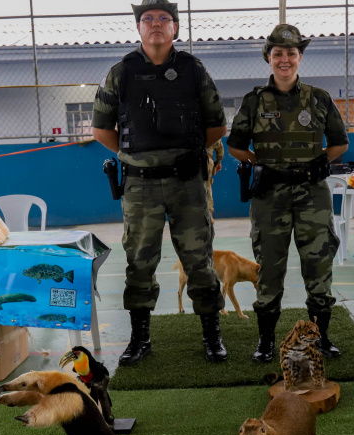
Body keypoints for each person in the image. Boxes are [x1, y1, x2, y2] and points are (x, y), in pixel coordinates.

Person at [92, 0, 228, 366]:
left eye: (163, 18)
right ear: (138, 28)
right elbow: (101, 129)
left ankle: (212, 336)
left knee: (199, 260)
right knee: (139, 262)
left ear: (175, 28)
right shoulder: (121, 72)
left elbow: (218, 125)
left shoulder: (193, 70)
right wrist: (133, 155)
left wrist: (190, 153)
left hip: (188, 184)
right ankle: (140, 339)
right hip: (141, 187)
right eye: (148, 18)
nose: (155, 23)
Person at [227, 24, 349, 363]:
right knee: (269, 266)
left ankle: (321, 337)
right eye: (278, 53)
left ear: (299, 57)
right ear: (269, 57)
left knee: (318, 263)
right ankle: (266, 340)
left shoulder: (319, 98)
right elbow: (235, 145)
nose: (285, 59)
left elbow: (340, 142)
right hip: (270, 194)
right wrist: (259, 164)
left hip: (312, 193)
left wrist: (321, 161)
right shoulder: (254, 101)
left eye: (291, 53)